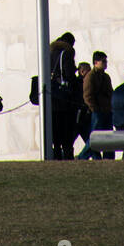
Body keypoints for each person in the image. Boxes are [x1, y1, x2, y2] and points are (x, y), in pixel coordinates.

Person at [48, 33, 80, 161]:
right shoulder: (66, 53)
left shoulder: (49, 52)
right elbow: (69, 75)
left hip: (52, 98)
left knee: (55, 134)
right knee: (66, 133)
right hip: (64, 100)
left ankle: (56, 156)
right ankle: (67, 157)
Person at [81, 51, 114, 161]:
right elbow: (87, 95)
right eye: (103, 61)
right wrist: (95, 109)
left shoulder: (105, 77)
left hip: (107, 110)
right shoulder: (90, 77)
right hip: (97, 112)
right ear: (96, 62)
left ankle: (108, 159)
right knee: (95, 139)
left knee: (108, 138)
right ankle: (82, 157)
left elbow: (110, 92)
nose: (106, 63)